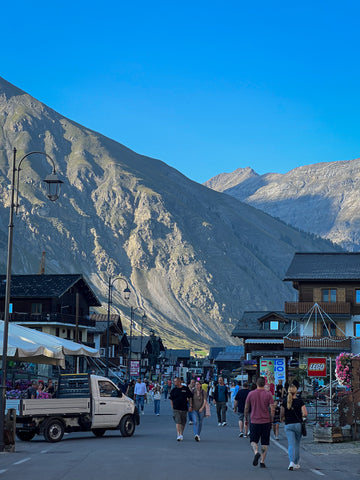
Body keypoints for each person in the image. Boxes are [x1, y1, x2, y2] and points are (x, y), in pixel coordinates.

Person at [244, 376, 275, 469]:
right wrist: (271, 419)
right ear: (265, 383)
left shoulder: (251, 394)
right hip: (265, 421)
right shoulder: (268, 394)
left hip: (254, 420)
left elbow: (246, 408)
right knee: (264, 442)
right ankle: (262, 461)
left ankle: (256, 452)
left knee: (253, 441)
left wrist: (246, 418)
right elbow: (272, 409)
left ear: (256, 383)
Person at [280, 384, 308, 471]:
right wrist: (303, 418)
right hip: (298, 424)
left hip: (288, 424)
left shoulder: (284, 401)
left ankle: (291, 462)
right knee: (297, 444)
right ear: (296, 391)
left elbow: (282, 413)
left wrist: (282, 419)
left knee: (291, 444)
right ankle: (296, 463)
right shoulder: (300, 401)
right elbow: (305, 413)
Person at [169, 377, 193, 441]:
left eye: (175, 381)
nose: (174, 383)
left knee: (183, 422)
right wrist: (172, 407)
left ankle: (181, 433)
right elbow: (171, 399)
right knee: (178, 421)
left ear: (179, 382)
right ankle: (178, 434)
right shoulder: (174, 390)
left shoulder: (185, 389)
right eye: (174, 381)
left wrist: (190, 405)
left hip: (184, 408)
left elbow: (190, 397)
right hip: (176, 408)